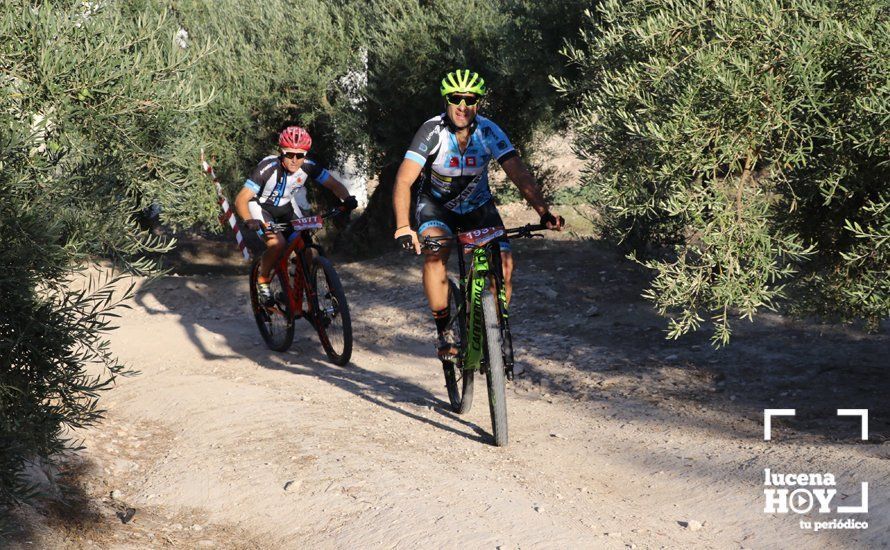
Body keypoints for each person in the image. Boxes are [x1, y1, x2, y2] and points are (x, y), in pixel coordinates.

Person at [392, 69, 564, 361]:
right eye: (456, 98)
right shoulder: (432, 131)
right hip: (436, 207)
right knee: (437, 251)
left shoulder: (488, 131)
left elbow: (518, 172)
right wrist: (403, 227)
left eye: (469, 99)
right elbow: (404, 181)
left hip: (478, 207)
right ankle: (445, 329)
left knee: (505, 264)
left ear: (478, 103)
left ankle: (495, 329)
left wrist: (543, 211)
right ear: (447, 100)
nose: (462, 106)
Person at [235, 125, 357, 304]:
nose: (294, 160)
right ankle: (262, 280)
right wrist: (249, 220)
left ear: (305, 155)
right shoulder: (268, 168)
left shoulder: (308, 166)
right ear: (281, 152)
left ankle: (292, 287)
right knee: (277, 244)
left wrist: (347, 198)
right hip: (261, 208)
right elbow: (241, 199)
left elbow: (333, 185)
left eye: (299, 155)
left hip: (286, 207)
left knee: (307, 250)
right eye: (289, 154)